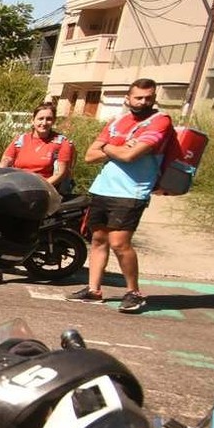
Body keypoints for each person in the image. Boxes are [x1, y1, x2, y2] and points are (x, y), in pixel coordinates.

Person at [70, 78, 166, 314]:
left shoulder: (159, 121)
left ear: (154, 99)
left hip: (131, 192)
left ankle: (133, 292)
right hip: (103, 188)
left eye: (148, 98)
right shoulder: (119, 121)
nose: (143, 102)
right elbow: (89, 156)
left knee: (119, 244)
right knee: (98, 240)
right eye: (138, 97)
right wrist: (121, 145)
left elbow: (130, 157)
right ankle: (94, 290)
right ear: (128, 98)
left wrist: (109, 147)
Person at [0, 102, 75, 284]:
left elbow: (60, 173)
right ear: (33, 120)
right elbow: (5, 162)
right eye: (40, 118)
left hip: (43, 190)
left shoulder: (60, 143)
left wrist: (36, 186)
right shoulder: (21, 140)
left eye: (49, 119)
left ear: (54, 121)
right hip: (16, 187)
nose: (44, 122)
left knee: (13, 225)